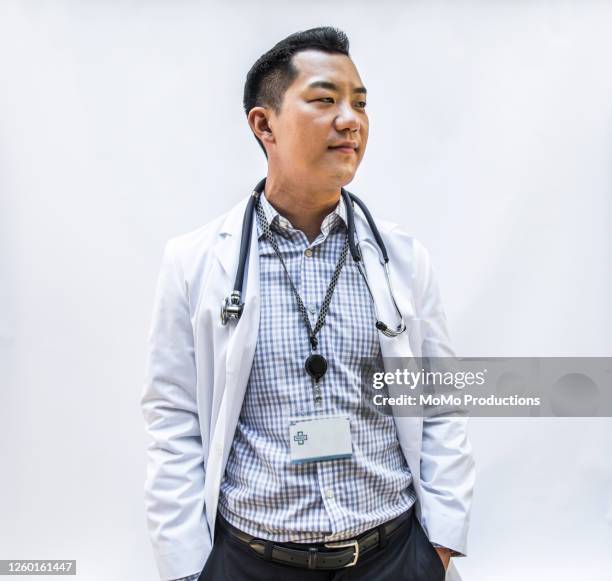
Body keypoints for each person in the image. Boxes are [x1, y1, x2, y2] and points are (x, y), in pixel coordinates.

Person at [141, 26, 475, 581]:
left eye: (360, 103)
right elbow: (173, 419)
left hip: (392, 557)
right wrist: (186, 568)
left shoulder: (404, 259)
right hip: (251, 562)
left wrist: (437, 547)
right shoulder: (193, 263)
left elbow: (440, 405)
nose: (351, 119)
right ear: (263, 123)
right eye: (325, 100)